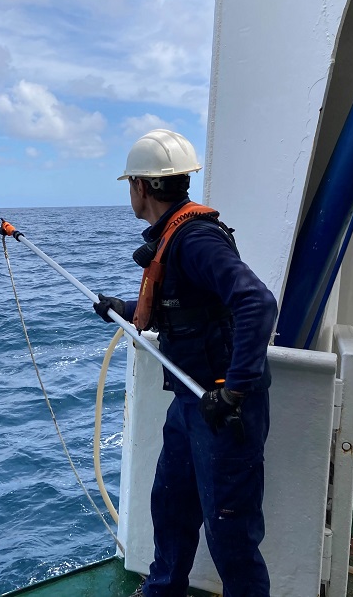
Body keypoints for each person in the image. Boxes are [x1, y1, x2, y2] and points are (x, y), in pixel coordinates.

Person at [93, 129, 277, 597]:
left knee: (230, 535)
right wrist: (123, 308)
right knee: (171, 505)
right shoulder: (174, 237)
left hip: (222, 408)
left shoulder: (194, 240)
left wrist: (233, 391)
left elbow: (257, 303)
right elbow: (188, 312)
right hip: (190, 403)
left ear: (140, 187)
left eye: (130, 184)